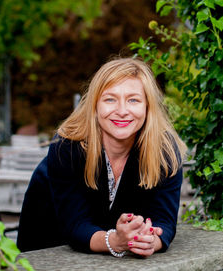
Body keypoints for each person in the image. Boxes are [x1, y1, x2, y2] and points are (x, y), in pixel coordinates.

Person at [17, 57, 187, 257]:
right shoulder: (67, 146)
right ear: (95, 106)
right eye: (110, 99)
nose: (122, 111)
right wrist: (114, 241)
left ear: (148, 107)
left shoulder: (165, 152)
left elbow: (164, 222)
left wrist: (151, 240)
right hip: (47, 245)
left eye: (133, 100)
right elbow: (74, 225)